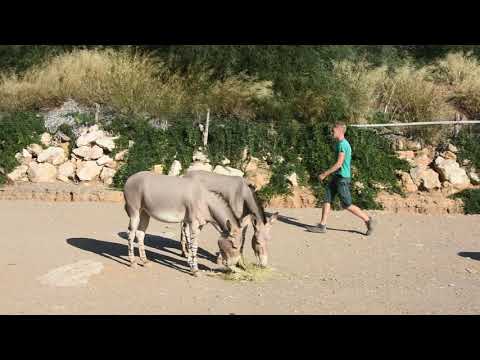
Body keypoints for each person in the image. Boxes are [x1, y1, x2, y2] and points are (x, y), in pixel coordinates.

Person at [310, 122, 375, 236]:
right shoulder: (340, 143)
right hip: (337, 177)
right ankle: (322, 225)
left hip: (342, 178)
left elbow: (339, 164)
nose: (332, 132)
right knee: (327, 198)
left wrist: (324, 174)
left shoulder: (343, 145)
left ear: (340, 130)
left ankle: (368, 220)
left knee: (347, 204)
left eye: (333, 130)